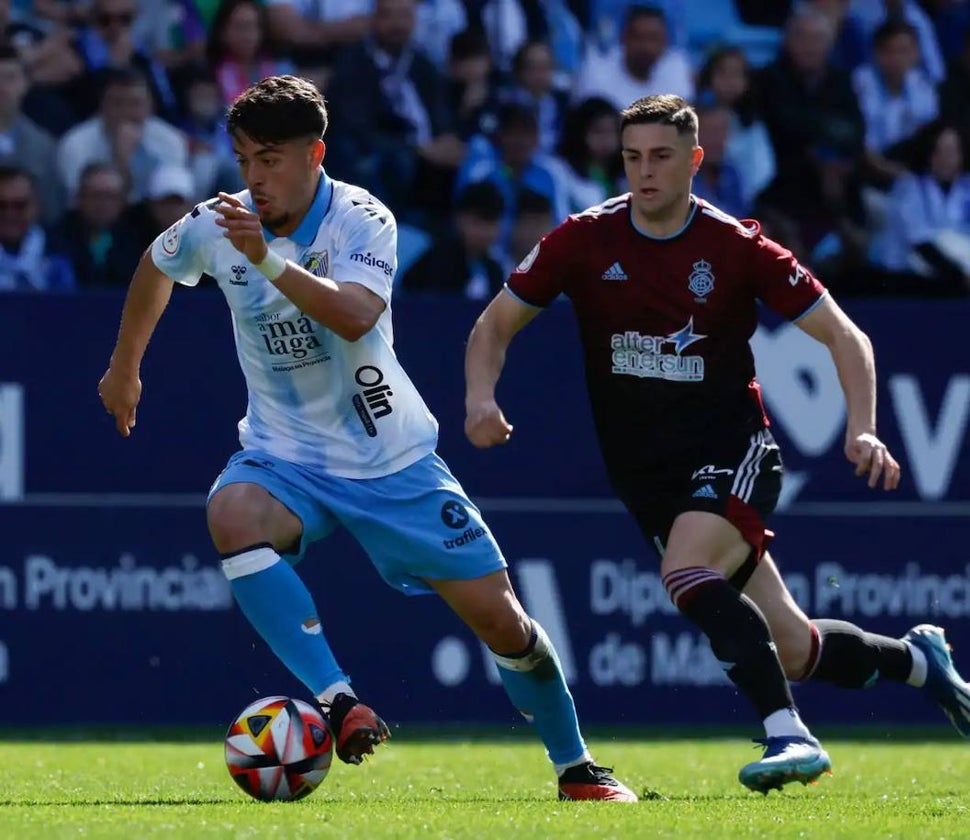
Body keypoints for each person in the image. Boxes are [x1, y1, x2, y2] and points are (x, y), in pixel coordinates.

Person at [96, 75, 635, 803]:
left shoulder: (360, 218)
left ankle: (576, 767)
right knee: (231, 513)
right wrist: (124, 367)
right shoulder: (215, 224)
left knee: (504, 624)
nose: (255, 177)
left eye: (272, 159)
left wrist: (265, 260)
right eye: (245, 159)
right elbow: (157, 267)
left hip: (392, 459)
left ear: (315, 153)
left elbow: (353, 316)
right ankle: (338, 699)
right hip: (283, 455)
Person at [463, 94, 970, 794]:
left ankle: (789, 736)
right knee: (796, 648)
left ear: (694, 160)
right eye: (631, 158)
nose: (644, 172)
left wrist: (861, 425)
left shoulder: (735, 246)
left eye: (659, 157)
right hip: (646, 477)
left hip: (733, 451)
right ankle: (919, 661)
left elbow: (844, 335)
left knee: (685, 574)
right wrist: (479, 398)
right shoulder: (583, 239)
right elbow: (494, 324)